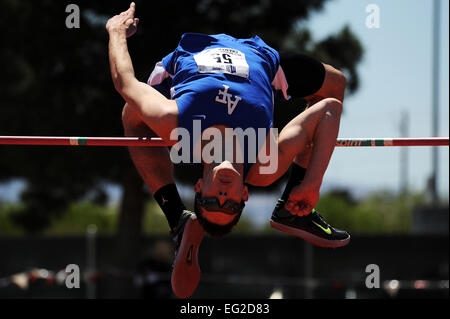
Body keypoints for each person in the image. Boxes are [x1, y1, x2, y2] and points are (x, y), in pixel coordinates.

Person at [106, 3, 350, 299]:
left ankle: (176, 216)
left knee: (131, 112)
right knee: (336, 84)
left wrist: (116, 32)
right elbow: (329, 110)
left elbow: (125, 82)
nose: (222, 197)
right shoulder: (263, 165)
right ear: (243, 195)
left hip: (191, 55)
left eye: (212, 201)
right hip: (260, 58)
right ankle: (291, 208)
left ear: (199, 186)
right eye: (230, 205)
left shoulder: (177, 126)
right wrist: (310, 184)